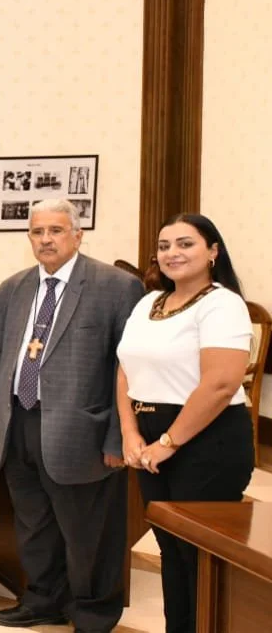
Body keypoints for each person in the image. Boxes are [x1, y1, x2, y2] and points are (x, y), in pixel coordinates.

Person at [0, 198, 143, 632]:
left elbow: (128, 368)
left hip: (82, 432)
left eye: (56, 230)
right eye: (37, 232)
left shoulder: (117, 286)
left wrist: (117, 438)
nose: (46, 239)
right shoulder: (13, 288)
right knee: (33, 524)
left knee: (88, 531)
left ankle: (93, 611)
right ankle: (42, 600)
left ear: (78, 234)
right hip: (19, 423)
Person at [116, 214, 255, 633]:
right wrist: (129, 432)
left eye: (185, 243)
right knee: (171, 550)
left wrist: (169, 442)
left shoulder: (223, 304)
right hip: (150, 439)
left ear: (213, 251)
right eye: (164, 246)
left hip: (207, 441)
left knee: (199, 556)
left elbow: (221, 384)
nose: (172, 253)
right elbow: (124, 369)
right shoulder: (148, 303)